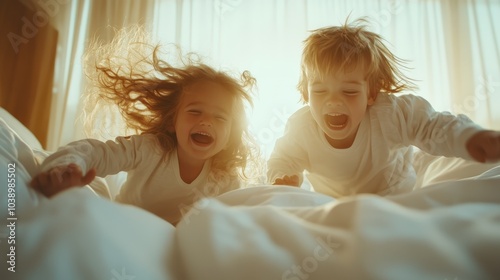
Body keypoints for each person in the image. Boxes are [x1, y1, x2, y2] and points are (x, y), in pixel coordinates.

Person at [30, 28, 260, 225]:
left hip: (169, 240)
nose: (206, 121)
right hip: (124, 223)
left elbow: (239, 216)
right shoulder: (150, 149)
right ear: (172, 121)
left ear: (230, 136)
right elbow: (96, 152)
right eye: (194, 111)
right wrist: (65, 168)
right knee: (90, 191)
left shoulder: (225, 179)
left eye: (220, 118)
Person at [267, 19, 500, 198]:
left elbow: (433, 126)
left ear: (371, 93)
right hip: (331, 203)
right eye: (319, 91)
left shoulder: (390, 114)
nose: (334, 101)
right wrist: (283, 178)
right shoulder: (301, 128)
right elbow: (283, 159)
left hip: (395, 196)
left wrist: (471, 137)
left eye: (348, 92)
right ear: (306, 92)